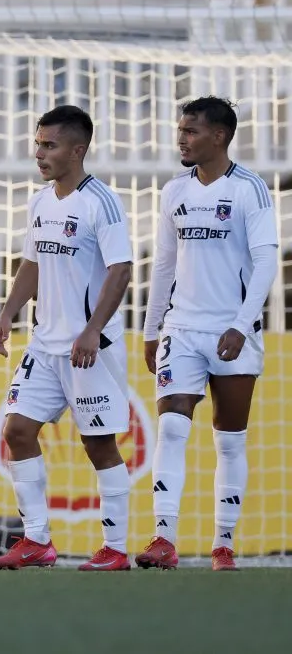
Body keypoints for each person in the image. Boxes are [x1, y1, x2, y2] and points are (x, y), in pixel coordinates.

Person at [137, 97, 278, 571]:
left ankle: (223, 543)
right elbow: (163, 264)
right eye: (181, 130)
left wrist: (241, 324)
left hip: (233, 332)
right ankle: (163, 538)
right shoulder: (174, 190)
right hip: (182, 328)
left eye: (191, 131)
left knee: (230, 439)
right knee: (172, 425)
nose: (181, 138)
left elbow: (266, 263)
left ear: (219, 136)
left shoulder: (250, 190)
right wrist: (152, 327)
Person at [0, 105, 133, 571]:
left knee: (99, 445)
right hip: (44, 345)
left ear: (78, 149)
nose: (39, 153)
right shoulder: (41, 202)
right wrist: (8, 312)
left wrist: (92, 330)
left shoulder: (101, 202)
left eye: (49, 145)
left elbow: (122, 269)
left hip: (89, 348)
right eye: (37, 144)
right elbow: (31, 263)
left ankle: (115, 548)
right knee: (17, 430)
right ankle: (37, 541)